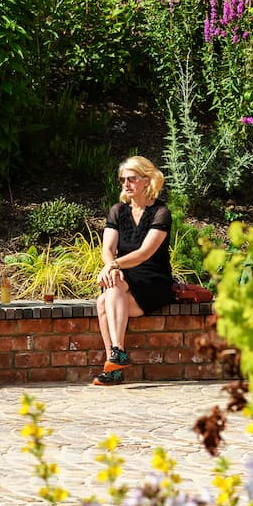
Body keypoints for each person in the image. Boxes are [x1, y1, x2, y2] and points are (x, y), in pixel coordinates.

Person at [93, 155, 172, 386]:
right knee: (108, 292)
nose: (125, 184)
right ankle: (116, 359)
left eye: (131, 179)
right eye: (122, 180)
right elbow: (108, 248)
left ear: (147, 181)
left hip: (153, 279)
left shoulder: (160, 212)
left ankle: (115, 360)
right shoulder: (118, 210)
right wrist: (111, 265)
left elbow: (145, 253)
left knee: (105, 297)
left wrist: (115, 266)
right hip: (125, 275)